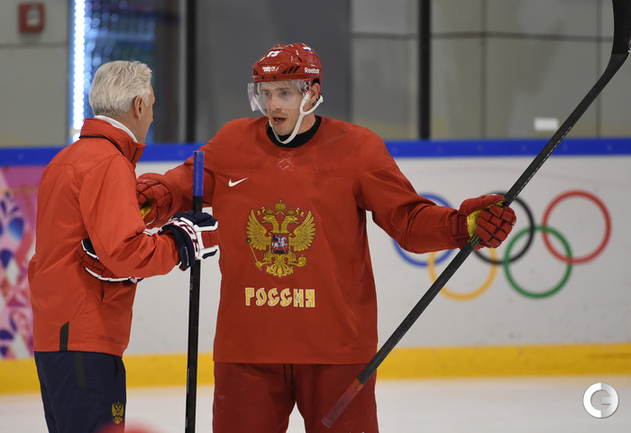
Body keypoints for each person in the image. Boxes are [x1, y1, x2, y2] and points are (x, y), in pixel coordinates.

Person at [136, 43, 516, 433]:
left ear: (312, 92)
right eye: (265, 93)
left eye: (285, 93)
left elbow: (408, 221)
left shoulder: (358, 149)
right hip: (247, 348)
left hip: (337, 349)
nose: (273, 105)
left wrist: (462, 225)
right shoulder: (231, 142)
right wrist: (148, 199)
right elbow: (178, 187)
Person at [28, 60, 218, 433]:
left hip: (58, 338)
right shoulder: (108, 162)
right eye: (152, 106)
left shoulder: (67, 159)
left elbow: (88, 244)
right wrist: (182, 243)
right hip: (86, 339)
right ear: (139, 105)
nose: (152, 117)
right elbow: (123, 253)